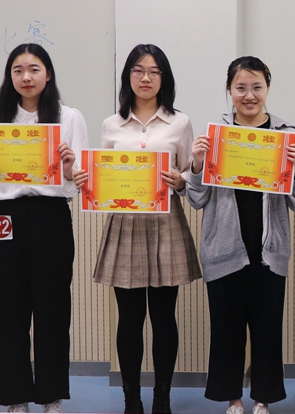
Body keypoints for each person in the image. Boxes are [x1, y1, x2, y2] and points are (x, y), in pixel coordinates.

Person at [0, 43, 89, 414]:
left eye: (34, 69)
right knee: (10, 308)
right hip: (7, 217)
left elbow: (79, 181)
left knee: (53, 308)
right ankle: (16, 397)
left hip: (51, 215)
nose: (26, 77)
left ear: (48, 74)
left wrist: (70, 169)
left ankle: (51, 396)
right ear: (10, 77)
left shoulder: (69, 118)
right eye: (17, 70)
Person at [184, 56, 295, 414]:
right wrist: (197, 164)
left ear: (267, 88)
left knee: (267, 330)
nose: (249, 95)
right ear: (229, 90)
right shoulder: (215, 136)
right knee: (227, 330)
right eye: (241, 87)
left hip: (270, 251)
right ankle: (233, 399)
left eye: (257, 87)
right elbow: (196, 198)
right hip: (224, 249)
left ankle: (262, 398)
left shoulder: (287, 135)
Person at [90, 44, 201, 414]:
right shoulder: (112, 124)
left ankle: (162, 398)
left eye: (154, 71)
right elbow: (105, 174)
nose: (146, 78)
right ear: (128, 77)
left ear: (164, 78)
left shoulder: (179, 123)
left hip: (166, 222)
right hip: (125, 223)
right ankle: (132, 399)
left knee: (164, 317)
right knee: (129, 318)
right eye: (138, 70)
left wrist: (181, 179)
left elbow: (189, 173)